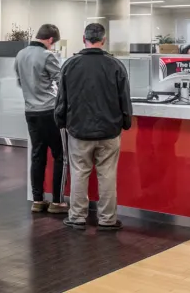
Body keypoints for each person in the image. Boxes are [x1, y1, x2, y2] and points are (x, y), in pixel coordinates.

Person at [55, 23, 132, 231]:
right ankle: (107, 220)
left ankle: (77, 217)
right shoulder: (116, 65)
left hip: (79, 130)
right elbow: (124, 98)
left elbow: (61, 99)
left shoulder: (70, 65)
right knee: (107, 175)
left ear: (83, 38)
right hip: (109, 130)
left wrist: (61, 122)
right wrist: (126, 123)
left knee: (79, 172)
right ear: (104, 40)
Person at [14, 24, 67, 214]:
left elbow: (20, 81)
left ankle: (37, 200)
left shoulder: (20, 54)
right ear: (51, 40)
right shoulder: (47, 55)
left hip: (30, 111)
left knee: (37, 155)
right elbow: (61, 80)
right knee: (60, 155)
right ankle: (57, 202)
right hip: (48, 111)